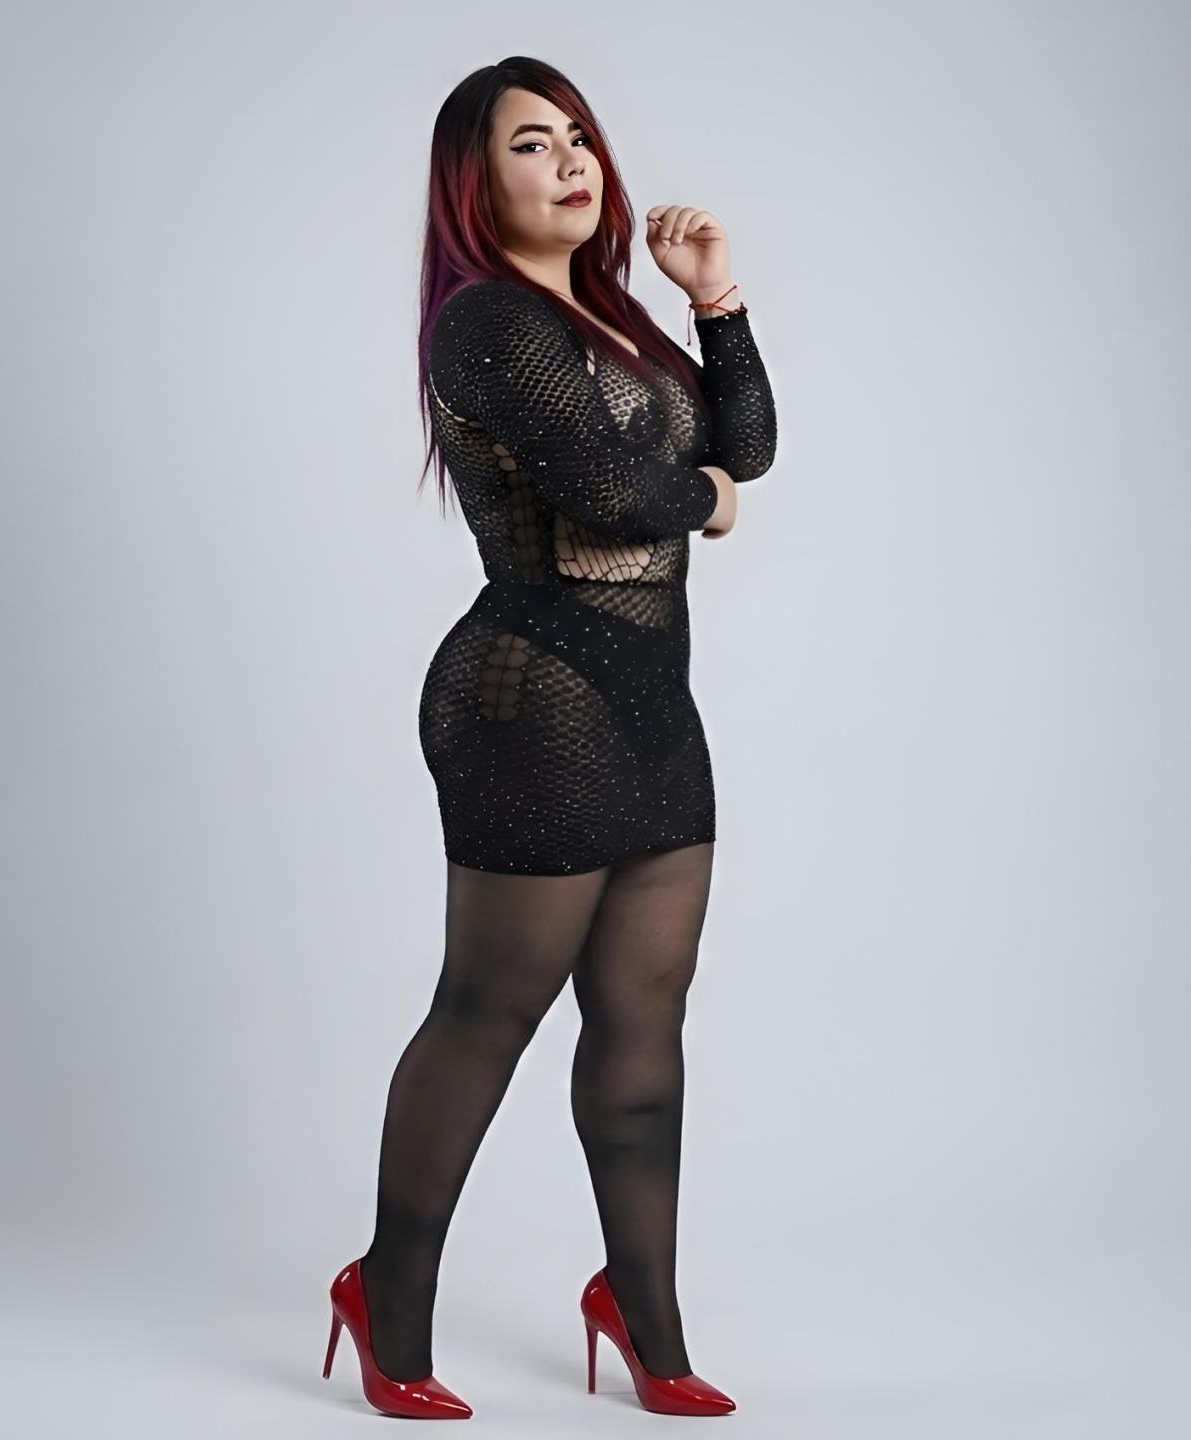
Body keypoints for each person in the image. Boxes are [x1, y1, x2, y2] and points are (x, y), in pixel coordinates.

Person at [323, 56, 777, 1420]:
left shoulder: (617, 320)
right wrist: (704, 498)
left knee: (645, 1020)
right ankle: (387, 1297)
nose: (571, 160)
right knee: (490, 1011)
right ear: (477, 180)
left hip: (653, 706)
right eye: (532, 143)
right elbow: (607, 490)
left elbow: (746, 444)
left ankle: (648, 1323)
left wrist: (715, 303)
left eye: (578, 136)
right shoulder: (486, 324)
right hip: (534, 698)